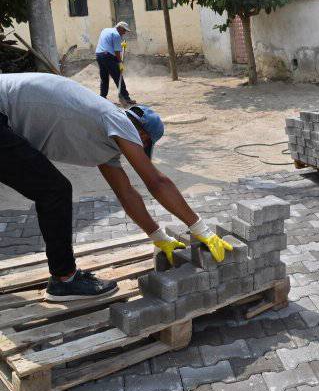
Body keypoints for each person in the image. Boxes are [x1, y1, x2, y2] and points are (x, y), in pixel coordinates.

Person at [0, 73, 233, 302]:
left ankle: (64, 279)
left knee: (51, 188)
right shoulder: (117, 120)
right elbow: (156, 182)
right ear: (142, 135)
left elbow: (126, 192)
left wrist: (159, 236)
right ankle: (64, 280)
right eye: (143, 146)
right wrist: (201, 229)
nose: (137, 151)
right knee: (54, 191)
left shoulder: (103, 136)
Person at [95, 21, 136, 106]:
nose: (124, 33)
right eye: (124, 30)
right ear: (120, 28)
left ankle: (102, 97)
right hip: (108, 57)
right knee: (118, 77)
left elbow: (108, 43)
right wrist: (120, 63)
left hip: (99, 55)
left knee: (104, 78)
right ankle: (125, 98)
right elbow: (117, 52)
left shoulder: (105, 30)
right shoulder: (117, 35)